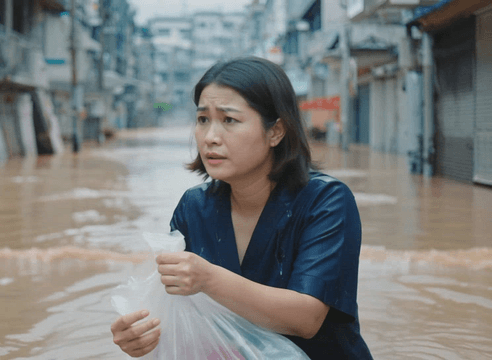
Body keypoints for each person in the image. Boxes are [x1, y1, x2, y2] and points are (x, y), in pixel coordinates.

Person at [110, 57, 373, 359]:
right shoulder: (194, 207)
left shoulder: (326, 201)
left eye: (229, 120)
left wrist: (209, 279)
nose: (210, 137)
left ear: (276, 131)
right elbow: (178, 313)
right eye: (203, 120)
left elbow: (306, 318)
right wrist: (140, 336)